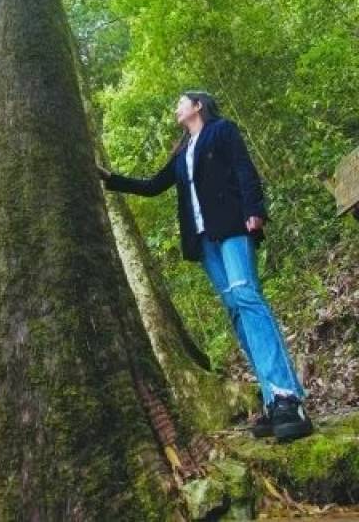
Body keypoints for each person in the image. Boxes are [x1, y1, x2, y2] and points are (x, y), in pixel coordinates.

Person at [98, 90, 313, 442]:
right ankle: (274, 402)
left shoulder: (223, 131)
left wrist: (255, 210)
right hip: (205, 241)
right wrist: (109, 178)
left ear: (198, 106)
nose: (176, 107)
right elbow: (153, 186)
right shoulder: (182, 153)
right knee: (235, 310)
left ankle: (289, 397)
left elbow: (245, 168)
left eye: (181, 101)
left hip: (232, 227)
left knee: (247, 298)